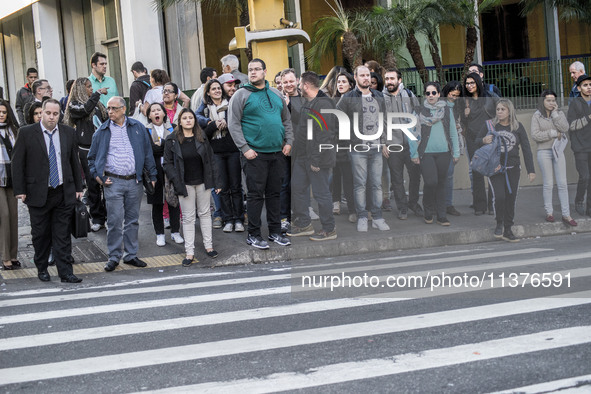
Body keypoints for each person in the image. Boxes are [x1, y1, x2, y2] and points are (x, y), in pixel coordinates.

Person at [12, 99, 84, 282]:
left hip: (62, 191)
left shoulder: (68, 132)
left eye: (55, 114)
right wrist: (20, 189)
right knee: (41, 234)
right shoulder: (27, 133)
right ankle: (42, 268)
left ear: (60, 115)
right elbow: (17, 163)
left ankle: (65, 272)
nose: (52, 117)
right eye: (48, 113)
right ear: (41, 113)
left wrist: (78, 187)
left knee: (62, 234)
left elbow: (74, 162)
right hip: (37, 192)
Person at [228, 58, 293, 249]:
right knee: (255, 196)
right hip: (254, 155)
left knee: (275, 194)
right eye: (250, 69)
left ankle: (274, 232)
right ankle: (254, 235)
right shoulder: (241, 95)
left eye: (257, 69)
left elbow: (286, 120)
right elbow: (233, 124)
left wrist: (289, 142)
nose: (253, 72)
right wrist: (245, 148)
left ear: (265, 71)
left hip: (277, 153)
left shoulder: (275, 94)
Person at [88, 96, 157, 272]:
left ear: (124, 109)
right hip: (113, 182)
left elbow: (148, 152)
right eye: (109, 108)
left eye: (114, 108)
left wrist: (153, 175)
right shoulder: (102, 131)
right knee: (115, 221)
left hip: (134, 181)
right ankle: (114, 256)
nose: (110, 111)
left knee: (133, 220)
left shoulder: (138, 128)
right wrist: (98, 177)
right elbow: (92, 158)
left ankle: (131, 255)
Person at [163, 108, 221, 266]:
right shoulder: (172, 139)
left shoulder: (201, 137)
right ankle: (189, 252)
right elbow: (167, 163)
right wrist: (176, 180)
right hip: (184, 183)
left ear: (195, 120)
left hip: (203, 182)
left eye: (191, 118)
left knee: (204, 214)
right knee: (188, 218)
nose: (188, 120)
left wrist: (216, 181)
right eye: (185, 118)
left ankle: (209, 247)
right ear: (179, 121)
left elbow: (211, 159)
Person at [337, 65, 390, 232]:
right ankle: (361, 216)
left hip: (376, 148)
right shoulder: (348, 97)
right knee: (359, 184)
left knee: (376, 185)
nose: (366, 78)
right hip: (357, 148)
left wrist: (385, 142)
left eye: (368, 75)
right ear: (356, 77)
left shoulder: (379, 96)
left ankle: (377, 217)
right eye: (362, 75)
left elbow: (385, 121)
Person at [287, 71, 337, 240]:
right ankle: (304, 224)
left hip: (317, 159)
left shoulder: (324, 104)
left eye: (300, 84)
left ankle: (329, 229)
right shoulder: (310, 102)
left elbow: (324, 134)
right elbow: (303, 127)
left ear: (306, 86)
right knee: (297, 188)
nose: (298, 87)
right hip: (303, 156)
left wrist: (315, 159)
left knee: (321, 194)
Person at [477, 99, 535, 242]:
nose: (500, 112)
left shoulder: (517, 127)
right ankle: (499, 223)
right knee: (500, 196)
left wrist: (531, 170)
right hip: (495, 168)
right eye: (498, 109)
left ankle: (508, 228)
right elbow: (476, 140)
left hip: (513, 168)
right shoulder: (491, 126)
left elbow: (527, 149)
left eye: (503, 109)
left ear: (509, 111)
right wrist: (484, 140)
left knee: (510, 198)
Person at [196, 78, 244, 233]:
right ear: (208, 92)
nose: (216, 90)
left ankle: (239, 219)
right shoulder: (205, 110)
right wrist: (213, 124)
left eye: (218, 88)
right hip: (216, 152)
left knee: (236, 186)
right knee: (221, 187)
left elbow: (238, 125)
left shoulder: (231, 104)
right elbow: (205, 135)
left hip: (233, 150)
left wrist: (226, 122)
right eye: (213, 89)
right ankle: (228, 219)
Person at [63, 77, 109, 232]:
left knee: (107, 184)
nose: (91, 89)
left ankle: (109, 217)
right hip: (86, 150)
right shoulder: (75, 104)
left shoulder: (97, 104)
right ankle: (97, 217)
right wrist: (96, 94)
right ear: (81, 89)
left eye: (92, 87)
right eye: (88, 87)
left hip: (102, 147)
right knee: (93, 185)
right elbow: (85, 110)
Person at [415, 82, 460, 226]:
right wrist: (414, 153)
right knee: (431, 182)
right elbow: (413, 133)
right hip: (426, 153)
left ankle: (442, 215)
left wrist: (456, 152)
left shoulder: (447, 110)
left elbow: (453, 131)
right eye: (428, 93)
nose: (431, 96)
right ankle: (428, 209)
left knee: (442, 183)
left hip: (444, 152)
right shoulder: (420, 111)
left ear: (439, 94)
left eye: (433, 93)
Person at [382, 67, 422, 220]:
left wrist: (417, 139)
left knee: (415, 176)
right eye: (387, 79)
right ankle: (402, 207)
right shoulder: (381, 98)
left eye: (392, 79)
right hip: (393, 145)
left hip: (411, 145)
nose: (389, 82)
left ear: (399, 80)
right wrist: (383, 144)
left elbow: (417, 117)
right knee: (397, 179)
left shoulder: (410, 95)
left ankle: (413, 203)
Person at [531, 90, 576, 226]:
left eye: (553, 100)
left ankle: (566, 214)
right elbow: (535, 135)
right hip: (544, 151)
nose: (551, 103)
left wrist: (555, 115)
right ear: (542, 101)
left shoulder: (559, 113)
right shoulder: (537, 115)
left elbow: (565, 127)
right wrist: (552, 133)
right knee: (548, 183)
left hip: (558, 151)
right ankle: (549, 213)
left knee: (562, 183)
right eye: (548, 100)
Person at [145, 102, 183, 245]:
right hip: (153, 171)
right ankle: (159, 234)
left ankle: (175, 232)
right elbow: (149, 151)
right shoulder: (145, 130)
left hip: (171, 170)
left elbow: (174, 148)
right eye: (153, 111)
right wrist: (164, 146)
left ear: (163, 113)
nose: (156, 113)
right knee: (157, 204)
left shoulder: (173, 128)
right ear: (149, 115)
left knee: (173, 202)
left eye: (158, 110)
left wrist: (160, 145)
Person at [462, 72, 496, 215]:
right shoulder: (464, 101)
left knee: (492, 171)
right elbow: (461, 123)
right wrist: (465, 114)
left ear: (478, 82)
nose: (469, 86)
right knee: (476, 171)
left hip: (488, 138)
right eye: (467, 83)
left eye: (472, 83)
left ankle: (492, 204)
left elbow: (502, 112)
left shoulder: (490, 97)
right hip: (472, 139)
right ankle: (479, 206)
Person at [331, 71, 356, 220]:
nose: (340, 84)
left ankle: (352, 209)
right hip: (335, 142)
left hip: (351, 143)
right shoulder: (332, 101)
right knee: (335, 175)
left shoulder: (354, 100)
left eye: (344, 82)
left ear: (351, 84)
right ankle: (336, 202)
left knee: (349, 177)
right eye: (338, 82)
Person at [0, 101, 20, 270]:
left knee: (13, 216)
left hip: (12, 179)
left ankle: (13, 255)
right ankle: (5, 256)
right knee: (4, 216)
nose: (1, 115)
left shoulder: (13, 130)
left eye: (4, 112)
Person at [567, 74, 591, 217]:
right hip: (580, 147)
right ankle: (579, 201)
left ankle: (589, 207)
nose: (589, 87)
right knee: (584, 176)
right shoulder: (575, 103)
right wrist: (588, 118)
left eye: (590, 85)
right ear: (578, 88)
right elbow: (571, 125)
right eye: (585, 85)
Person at [442, 81, 464, 216]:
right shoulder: (439, 105)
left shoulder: (457, 107)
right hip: (438, 145)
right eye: (452, 94)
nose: (454, 98)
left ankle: (448, 204)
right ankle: (436, 205)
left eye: (456, 95)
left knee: (449, 176)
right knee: (437, 177)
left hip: (451, 146)